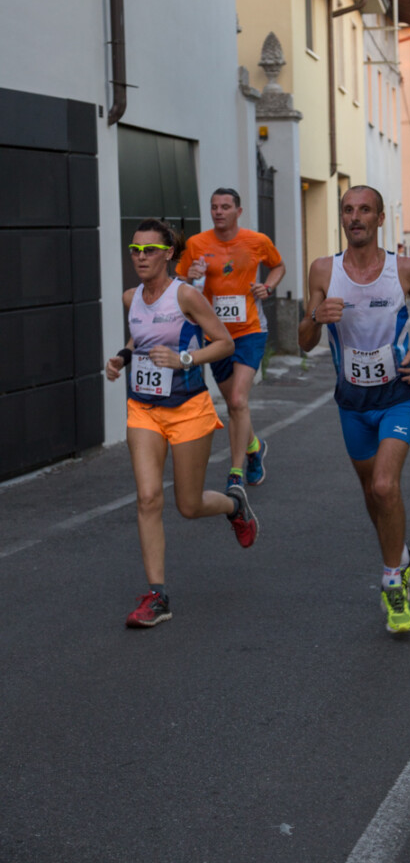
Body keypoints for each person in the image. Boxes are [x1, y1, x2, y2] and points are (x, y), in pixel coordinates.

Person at [298, 186, 410, 635]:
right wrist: (315, 318)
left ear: (380, 219)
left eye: (364, 210)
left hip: (396, 394)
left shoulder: (405, 269)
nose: (355, 217)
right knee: (371, 493)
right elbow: (304, 342)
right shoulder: (324, 270)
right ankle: (402, 557)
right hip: (351, 401)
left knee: (384, 485)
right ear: (341, 218)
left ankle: (392, 582)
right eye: (347, 210)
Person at [106, 219, 258, 629]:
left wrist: (184, 359)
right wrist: (122, 357)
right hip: (143, 408)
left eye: (150, 250)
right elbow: (141, 337)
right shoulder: (131, 298)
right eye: (135, 250)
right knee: (147, 498)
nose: (141, 258)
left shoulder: (186, 295)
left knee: (188, 505)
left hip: (188, 408)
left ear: (169, 253)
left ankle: (234, 505)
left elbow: (224, 342)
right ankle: (157, 596)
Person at [176, 188, 285, 490]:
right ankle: (253, 448)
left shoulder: (257, 241)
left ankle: (236, 472)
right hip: (215, 335)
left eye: (225, 207)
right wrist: (191, 275)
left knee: (238, 400)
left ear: (238, 211)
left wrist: (268, 286)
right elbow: (180, 282)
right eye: (214, 207)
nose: (219, 212)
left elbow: (278, 266)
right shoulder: (196, 244)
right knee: (233, 404)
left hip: (250, 330)